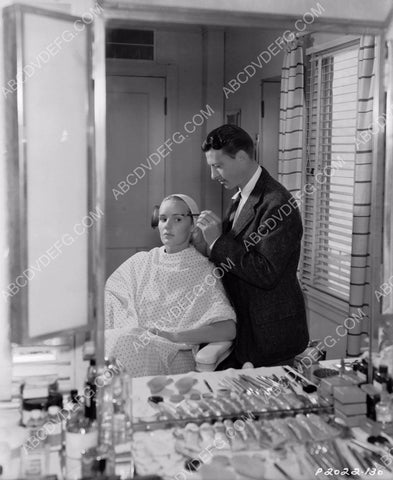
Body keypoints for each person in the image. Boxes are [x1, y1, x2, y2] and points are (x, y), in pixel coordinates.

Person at [194, 124, 309, 368]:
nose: (214, 175)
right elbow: (236, 260)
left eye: (218, 165)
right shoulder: (241, 196)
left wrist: (217, 241)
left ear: (243, 157)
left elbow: (265, 272)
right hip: (245, 328)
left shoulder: (278, 203)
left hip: (270, 336)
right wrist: (206, 246)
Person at [105, 194, 236, 377]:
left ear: (193, 225)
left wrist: (172, 335)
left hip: (175, 355)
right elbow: (111, 298)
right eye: (163, 219)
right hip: (133, 341)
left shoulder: (204, 270)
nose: (167, 225)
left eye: (178, 219)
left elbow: (228, 329)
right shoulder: (141, 262)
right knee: (107, 342)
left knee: (123, 345)